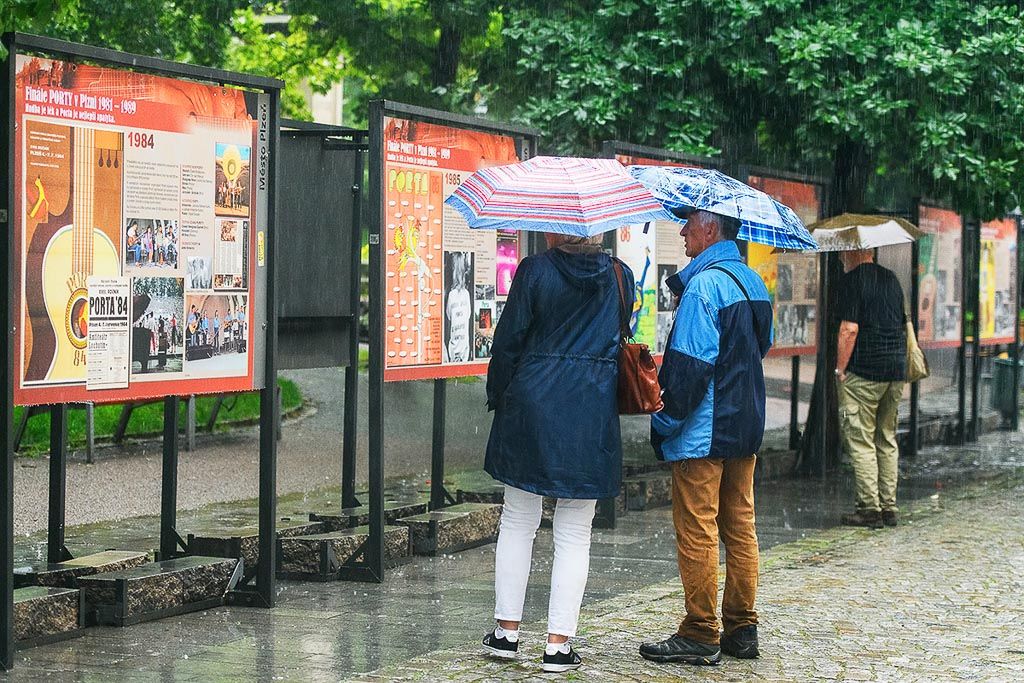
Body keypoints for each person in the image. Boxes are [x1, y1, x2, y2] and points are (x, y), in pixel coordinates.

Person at [481, 232, 634, 674]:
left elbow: (508, 342)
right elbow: (620, 334)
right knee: (574, 530)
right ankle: (558, 644)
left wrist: (499, 395)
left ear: (554, 229)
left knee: (518, 518)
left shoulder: (535, 271)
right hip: (589, 410)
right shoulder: (620, 277)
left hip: (532, 406)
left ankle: (507, 634)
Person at [639, 209, 773, 666]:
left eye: (689, 224)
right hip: (745, 427)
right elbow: (762, 346)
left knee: (697, 528)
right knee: (740, 526)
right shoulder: (753, 282)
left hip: (703, 432)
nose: (682, 231)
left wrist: (663, 423)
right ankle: (741, 628)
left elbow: (688, 370)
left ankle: (699, 630)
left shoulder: (702, 287)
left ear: (711, 228)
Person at [835, 248, 907, 528]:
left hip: (864, 372)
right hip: (895, 371)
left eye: (844, 250)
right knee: (886, 437)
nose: (841, 255)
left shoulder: (853, 281)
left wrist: (841, 369)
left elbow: (848, 330)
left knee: (861, 439)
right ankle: (889, 506)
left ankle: (869, 508)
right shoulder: (891, 279)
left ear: (857, 250)